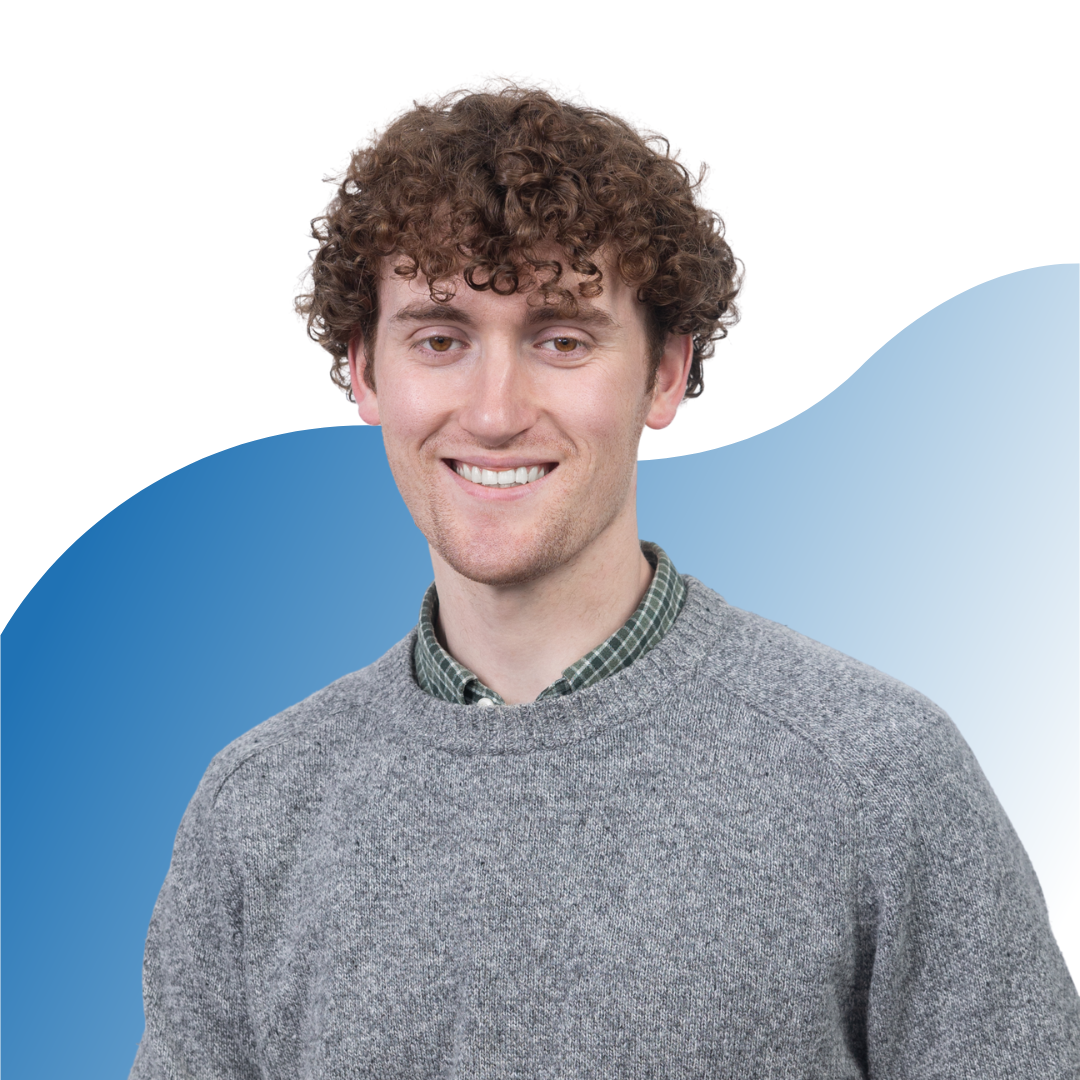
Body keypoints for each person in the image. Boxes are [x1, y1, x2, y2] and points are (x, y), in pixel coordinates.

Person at [130, 73, 1079, 1078]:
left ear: (665, 375)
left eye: (562, 338)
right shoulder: (257, 811)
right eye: (441, 339)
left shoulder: (877, 774)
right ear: (364, 371)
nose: (495, 411)